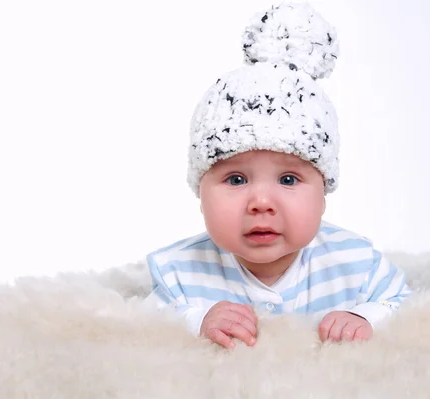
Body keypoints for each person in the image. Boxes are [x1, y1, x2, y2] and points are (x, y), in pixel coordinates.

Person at [146, 2, 412, 349]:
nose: (260, 203)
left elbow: (407, 305)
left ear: (323, 193)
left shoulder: (354, 262)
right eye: (236, 180)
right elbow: (142, 327)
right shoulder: (178, 271)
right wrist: (197, 319)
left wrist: (364, 317)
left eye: (288, 180)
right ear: (200, 192)